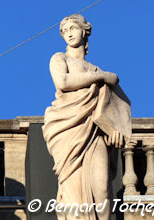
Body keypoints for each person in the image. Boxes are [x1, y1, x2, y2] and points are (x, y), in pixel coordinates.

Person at [42, 14, 131, 219]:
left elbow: (112, 111)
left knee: (102, 190)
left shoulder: (96, 69)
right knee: (75, 192)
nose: (69, 33)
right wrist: (101, 77)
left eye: (73, 28)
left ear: (85, 30)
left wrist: (114, 134)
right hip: (68, 129)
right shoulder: (60, 58)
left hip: (95, 134)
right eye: (65, 31)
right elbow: (63, 82)